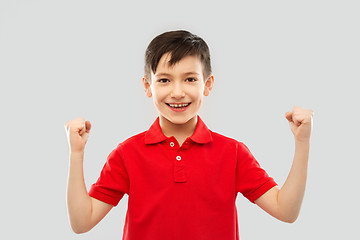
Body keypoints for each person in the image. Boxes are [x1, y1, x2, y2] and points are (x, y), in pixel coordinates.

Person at [64, 30, 314, 240]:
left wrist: (302, 142)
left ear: (207, 84)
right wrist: (77, 153)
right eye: (164, 80)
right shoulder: (127, 153)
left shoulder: (233, 152)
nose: (177, 92)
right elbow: (82, 222)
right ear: (147, 86)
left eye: (190, 79)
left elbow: (286, 210)